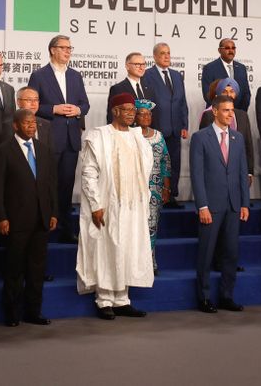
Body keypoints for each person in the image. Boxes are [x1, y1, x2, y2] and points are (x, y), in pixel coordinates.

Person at [76, 92, 154, 319]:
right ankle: (104, 300)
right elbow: (89, 173)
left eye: (134, 110)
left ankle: (122, 299)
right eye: (127, 110)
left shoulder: (138, 137)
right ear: (115, 111)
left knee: (128, 248)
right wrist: (95, 205)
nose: (132, 114)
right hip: (107, 204)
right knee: (107, 250)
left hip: (133, 205)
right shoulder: (100, 136)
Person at [0, 109, 57, 326]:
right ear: (16, 126)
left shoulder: (43, 149)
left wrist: (53, 212)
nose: (31, 126)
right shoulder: (3, 150)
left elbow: (50, 185)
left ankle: (33, 312)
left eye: (33, 123)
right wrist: (1, 216)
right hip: (15, 220)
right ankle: (12, 313)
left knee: (37, 269)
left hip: (41, 219)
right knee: (14, 269)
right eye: (27, 123)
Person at [27, 34, 90, 244]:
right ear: (53, 50)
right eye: (64, 48)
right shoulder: (39, 76)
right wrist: (54, 109)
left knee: (66, 185)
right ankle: (45, 228)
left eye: (70, 48)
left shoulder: (75, 76)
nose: (68, 51)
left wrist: (78, 109)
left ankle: (64, 228)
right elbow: (32, 106)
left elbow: (85, 104)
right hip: (49, 138)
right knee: (46, 185)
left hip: (71, 139)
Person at [190, 95, 250, 313]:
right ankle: (204, 297)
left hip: (234, 205)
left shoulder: (238, 138)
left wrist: (245, 203)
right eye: (226, 110)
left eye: (232, 110)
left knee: (231, 253)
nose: (230, 114)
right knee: (206, 254)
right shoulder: (200, 138)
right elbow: (197, 175)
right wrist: (202, 206)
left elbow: (243, 172)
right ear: (214, 111)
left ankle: (227, 296)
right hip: (211, 206)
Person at [141, 42, 188, 207]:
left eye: (168, 53)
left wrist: (184, 125)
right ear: (154, 56)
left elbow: (182, 102)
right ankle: (154, 197)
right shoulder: (147, 75)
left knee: (174, 163)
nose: (166, 56)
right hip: (156, 129)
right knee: (155, 164)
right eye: (162, 53)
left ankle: (172, 196)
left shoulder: (177, 75)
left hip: (175, 129)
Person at [134, 100, 171, 271]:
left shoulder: (158, 136)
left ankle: (150, 262)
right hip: (134, 189)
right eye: (142, 113)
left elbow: (166, 162)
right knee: (134, 226)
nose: (146, 116)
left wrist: (166, 187)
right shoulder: (129, 135)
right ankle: (134, 264)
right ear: (135, 116)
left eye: (149, 114)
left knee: (151, 226)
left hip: (155, 190)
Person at [198, 79, 257, 183]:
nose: (228, 94)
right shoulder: (208, 115)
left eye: (232, 91)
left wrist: (249, 171)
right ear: (218, 94)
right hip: (215, 172)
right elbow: (204, 147)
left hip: (239, 170)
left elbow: (248, 145)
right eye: (225, 91)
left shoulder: (242, 115)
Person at [199, 38, 251, 110]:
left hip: (238, 113)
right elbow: (208, 95)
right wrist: (223, 110)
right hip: (218, 114)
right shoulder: (209, 68)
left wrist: (239, 112)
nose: (231, 51)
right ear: (219, 50)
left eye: (233, 48)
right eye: (227, 48)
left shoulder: (241, 68)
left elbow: (246, 94)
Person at [106, 52, 156, 123]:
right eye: (137, 64)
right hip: (126, 132)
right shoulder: (118, 89)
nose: (141, 67)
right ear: (127, 66)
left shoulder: (150, 88)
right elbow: (112, 117)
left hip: (146, 133)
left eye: (143, 64)